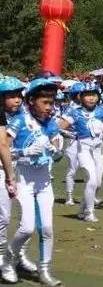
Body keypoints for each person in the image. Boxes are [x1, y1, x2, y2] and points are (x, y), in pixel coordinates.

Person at [3, 77, 65, 286]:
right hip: (24, 181)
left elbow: (57, 150)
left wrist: (56, 150)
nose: (50, 107)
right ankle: (9, 260)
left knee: (47, 228)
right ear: (31, 101)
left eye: (52, 102)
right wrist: (24, 151)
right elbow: (5, 151)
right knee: (27, 228)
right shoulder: (19, 121)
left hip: (44, 181)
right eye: (45, 103)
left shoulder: (51, 122)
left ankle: (44, 270)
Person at [57, 81, 103, 222]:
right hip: (83, 149)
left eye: (93, 95)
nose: (91, 98)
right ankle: (89, 212)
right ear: (80, 97)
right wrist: (72, 135)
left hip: (98, 149)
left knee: (98, 182)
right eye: (87, 95)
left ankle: (82, 208)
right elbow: (59, 127)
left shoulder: (102, 110)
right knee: (91, 180)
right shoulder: (74, 112)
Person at [0, 77, 20, 284]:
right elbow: (3, 146)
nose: (17, 100)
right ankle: (3, 260)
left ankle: (17, 255)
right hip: (5, 170)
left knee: (22, 219)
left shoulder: (22, 116)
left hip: (18, 169)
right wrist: (10, 175)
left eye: (18, 96)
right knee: (4, 217)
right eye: (11, 96)